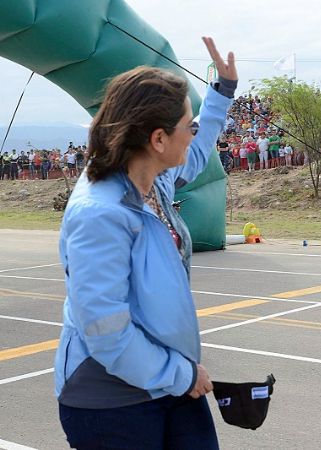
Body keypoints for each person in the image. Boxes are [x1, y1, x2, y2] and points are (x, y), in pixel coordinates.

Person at [53, 36, 237, 449]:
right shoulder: (100, 213)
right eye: (185, 127)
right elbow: (106, 331)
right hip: (112, 400)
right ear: (157, 139)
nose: (192, 134)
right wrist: (184, 374)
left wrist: (222, 93)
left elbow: (199, 148)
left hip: (167, 376)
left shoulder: (152, 175)